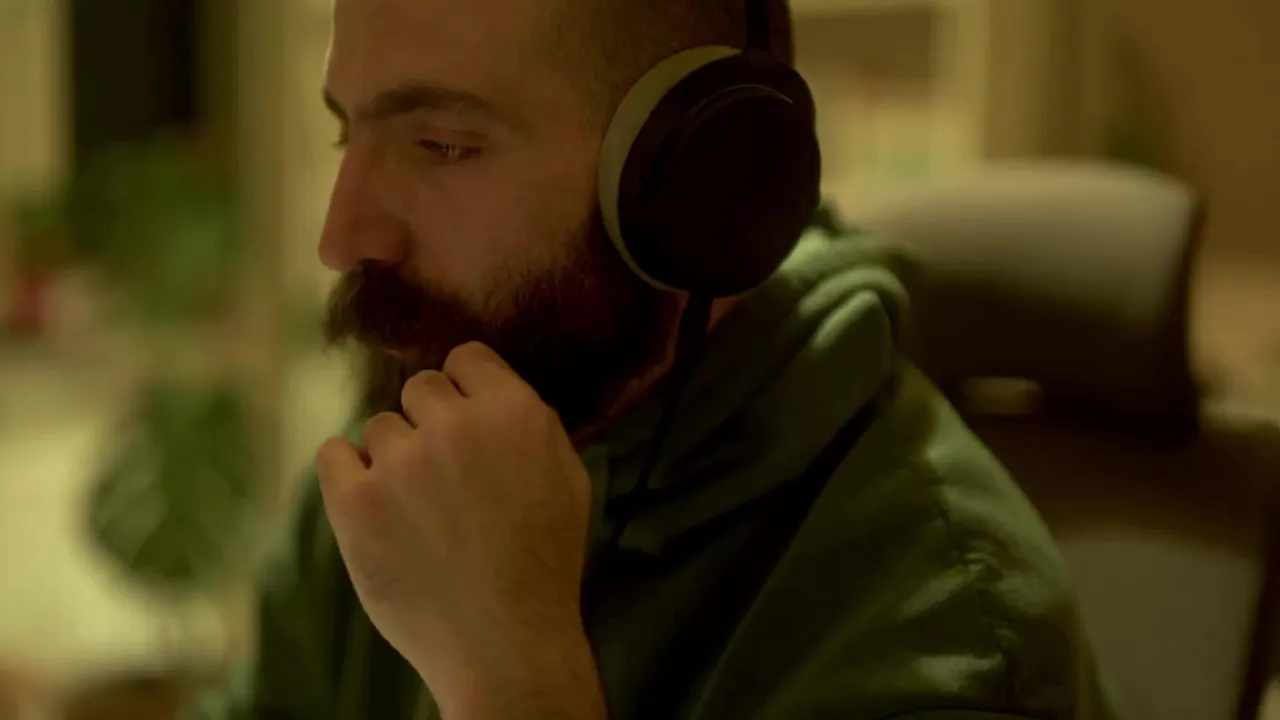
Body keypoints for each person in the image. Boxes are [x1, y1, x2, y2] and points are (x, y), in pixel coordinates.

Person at [214, 0, 1120, 718]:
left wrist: (519, 684)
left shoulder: (946, 631)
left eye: (442, 145)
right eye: (346, 134)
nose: (342, 238)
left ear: (696, 177)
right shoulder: (415, 454)